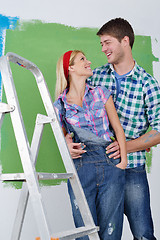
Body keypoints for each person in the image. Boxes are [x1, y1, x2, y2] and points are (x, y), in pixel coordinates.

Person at [87, 18, 160, 240]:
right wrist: (68, 139)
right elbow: (74, 111)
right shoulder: (96, 76)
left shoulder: (148, 84)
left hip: (132, 171)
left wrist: (125, 147)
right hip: (98, 168)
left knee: (143, 234)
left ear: (125, 41)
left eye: (107, 42)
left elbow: (158, 131)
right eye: (101, 44)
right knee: (102, 235)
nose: (103, 49)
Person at [54, 50, 127, 240]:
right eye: (82, 59)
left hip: (110, 163)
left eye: (87, 58)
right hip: (81, 168)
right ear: (70, 68)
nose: (89, 61)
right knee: (84, 231)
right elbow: (62, 138)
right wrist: (67, 147)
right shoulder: (60, 105)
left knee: (111, 230)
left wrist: (123, 162)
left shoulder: (100, 93)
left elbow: (118, 129)